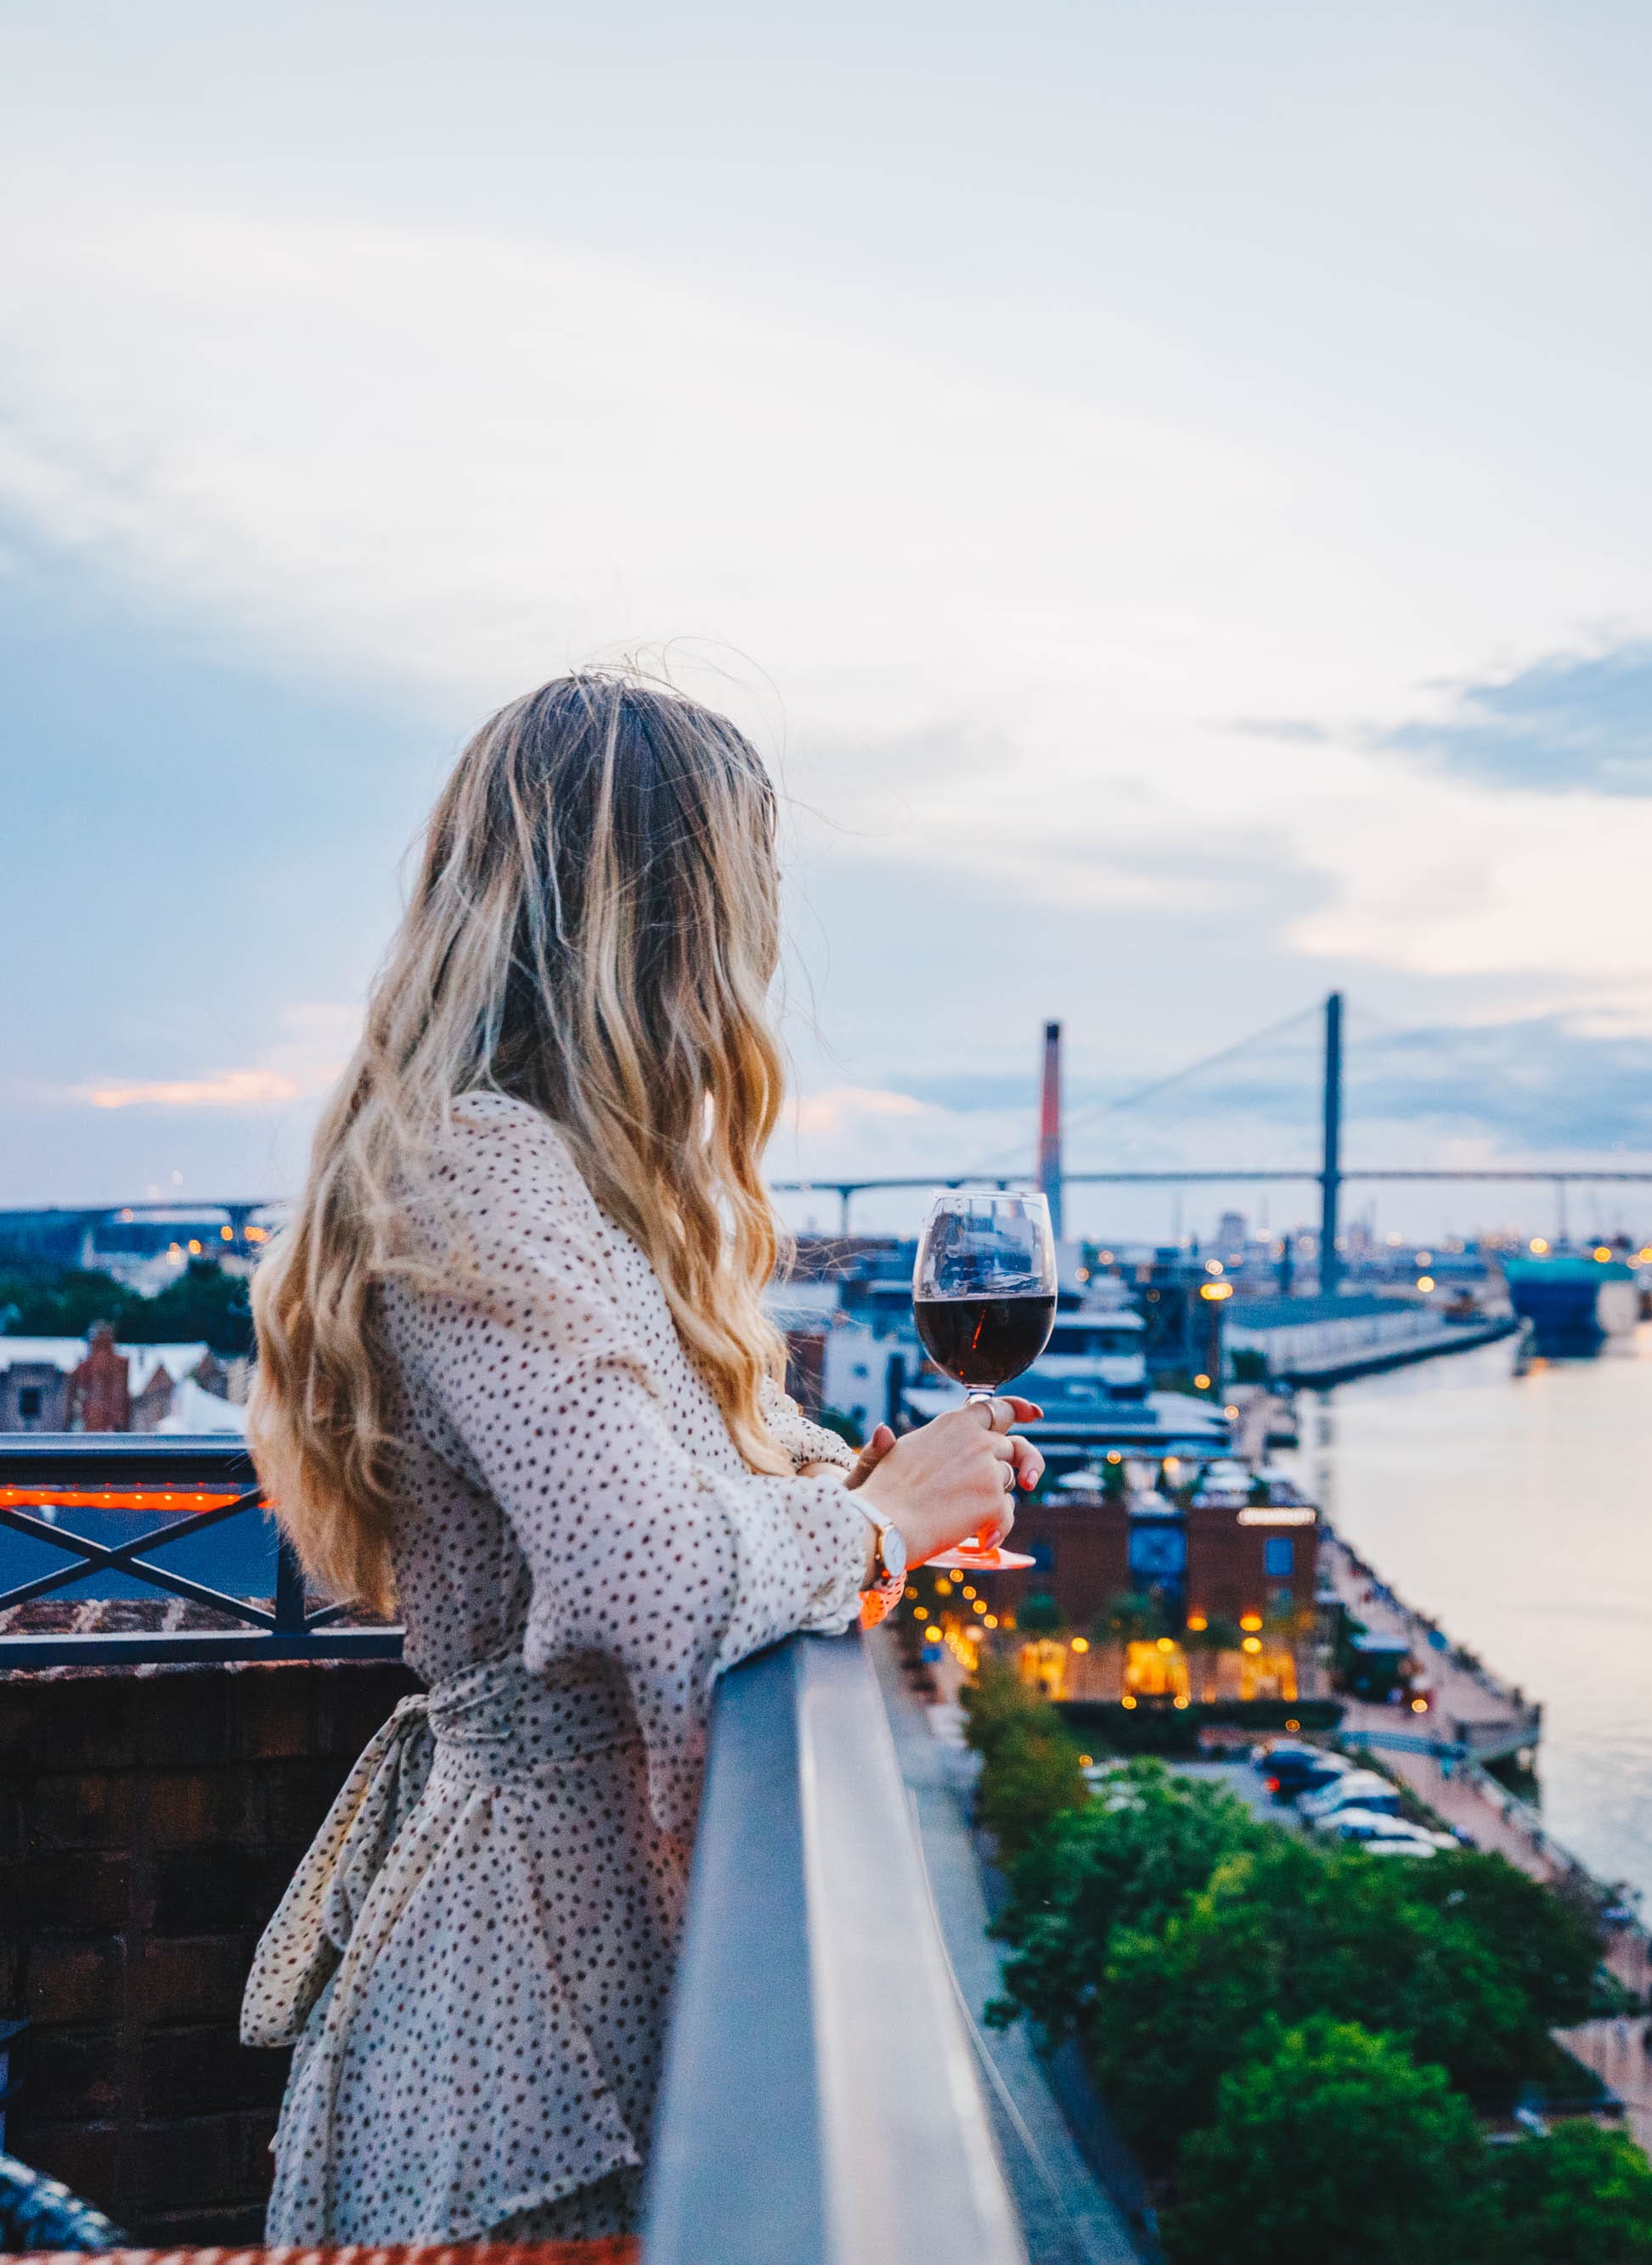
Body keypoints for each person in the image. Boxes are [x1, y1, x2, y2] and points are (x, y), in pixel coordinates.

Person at [235, 673, 1038, 2242]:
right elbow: (643, 1569)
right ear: (664, 918)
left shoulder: (560, 1185)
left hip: (569, 1981)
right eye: (750, 895)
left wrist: (846, 1496)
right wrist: (874, 1529)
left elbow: (672, 1490)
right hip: (519, 2048)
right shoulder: (476, 1173)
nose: (765, 949)